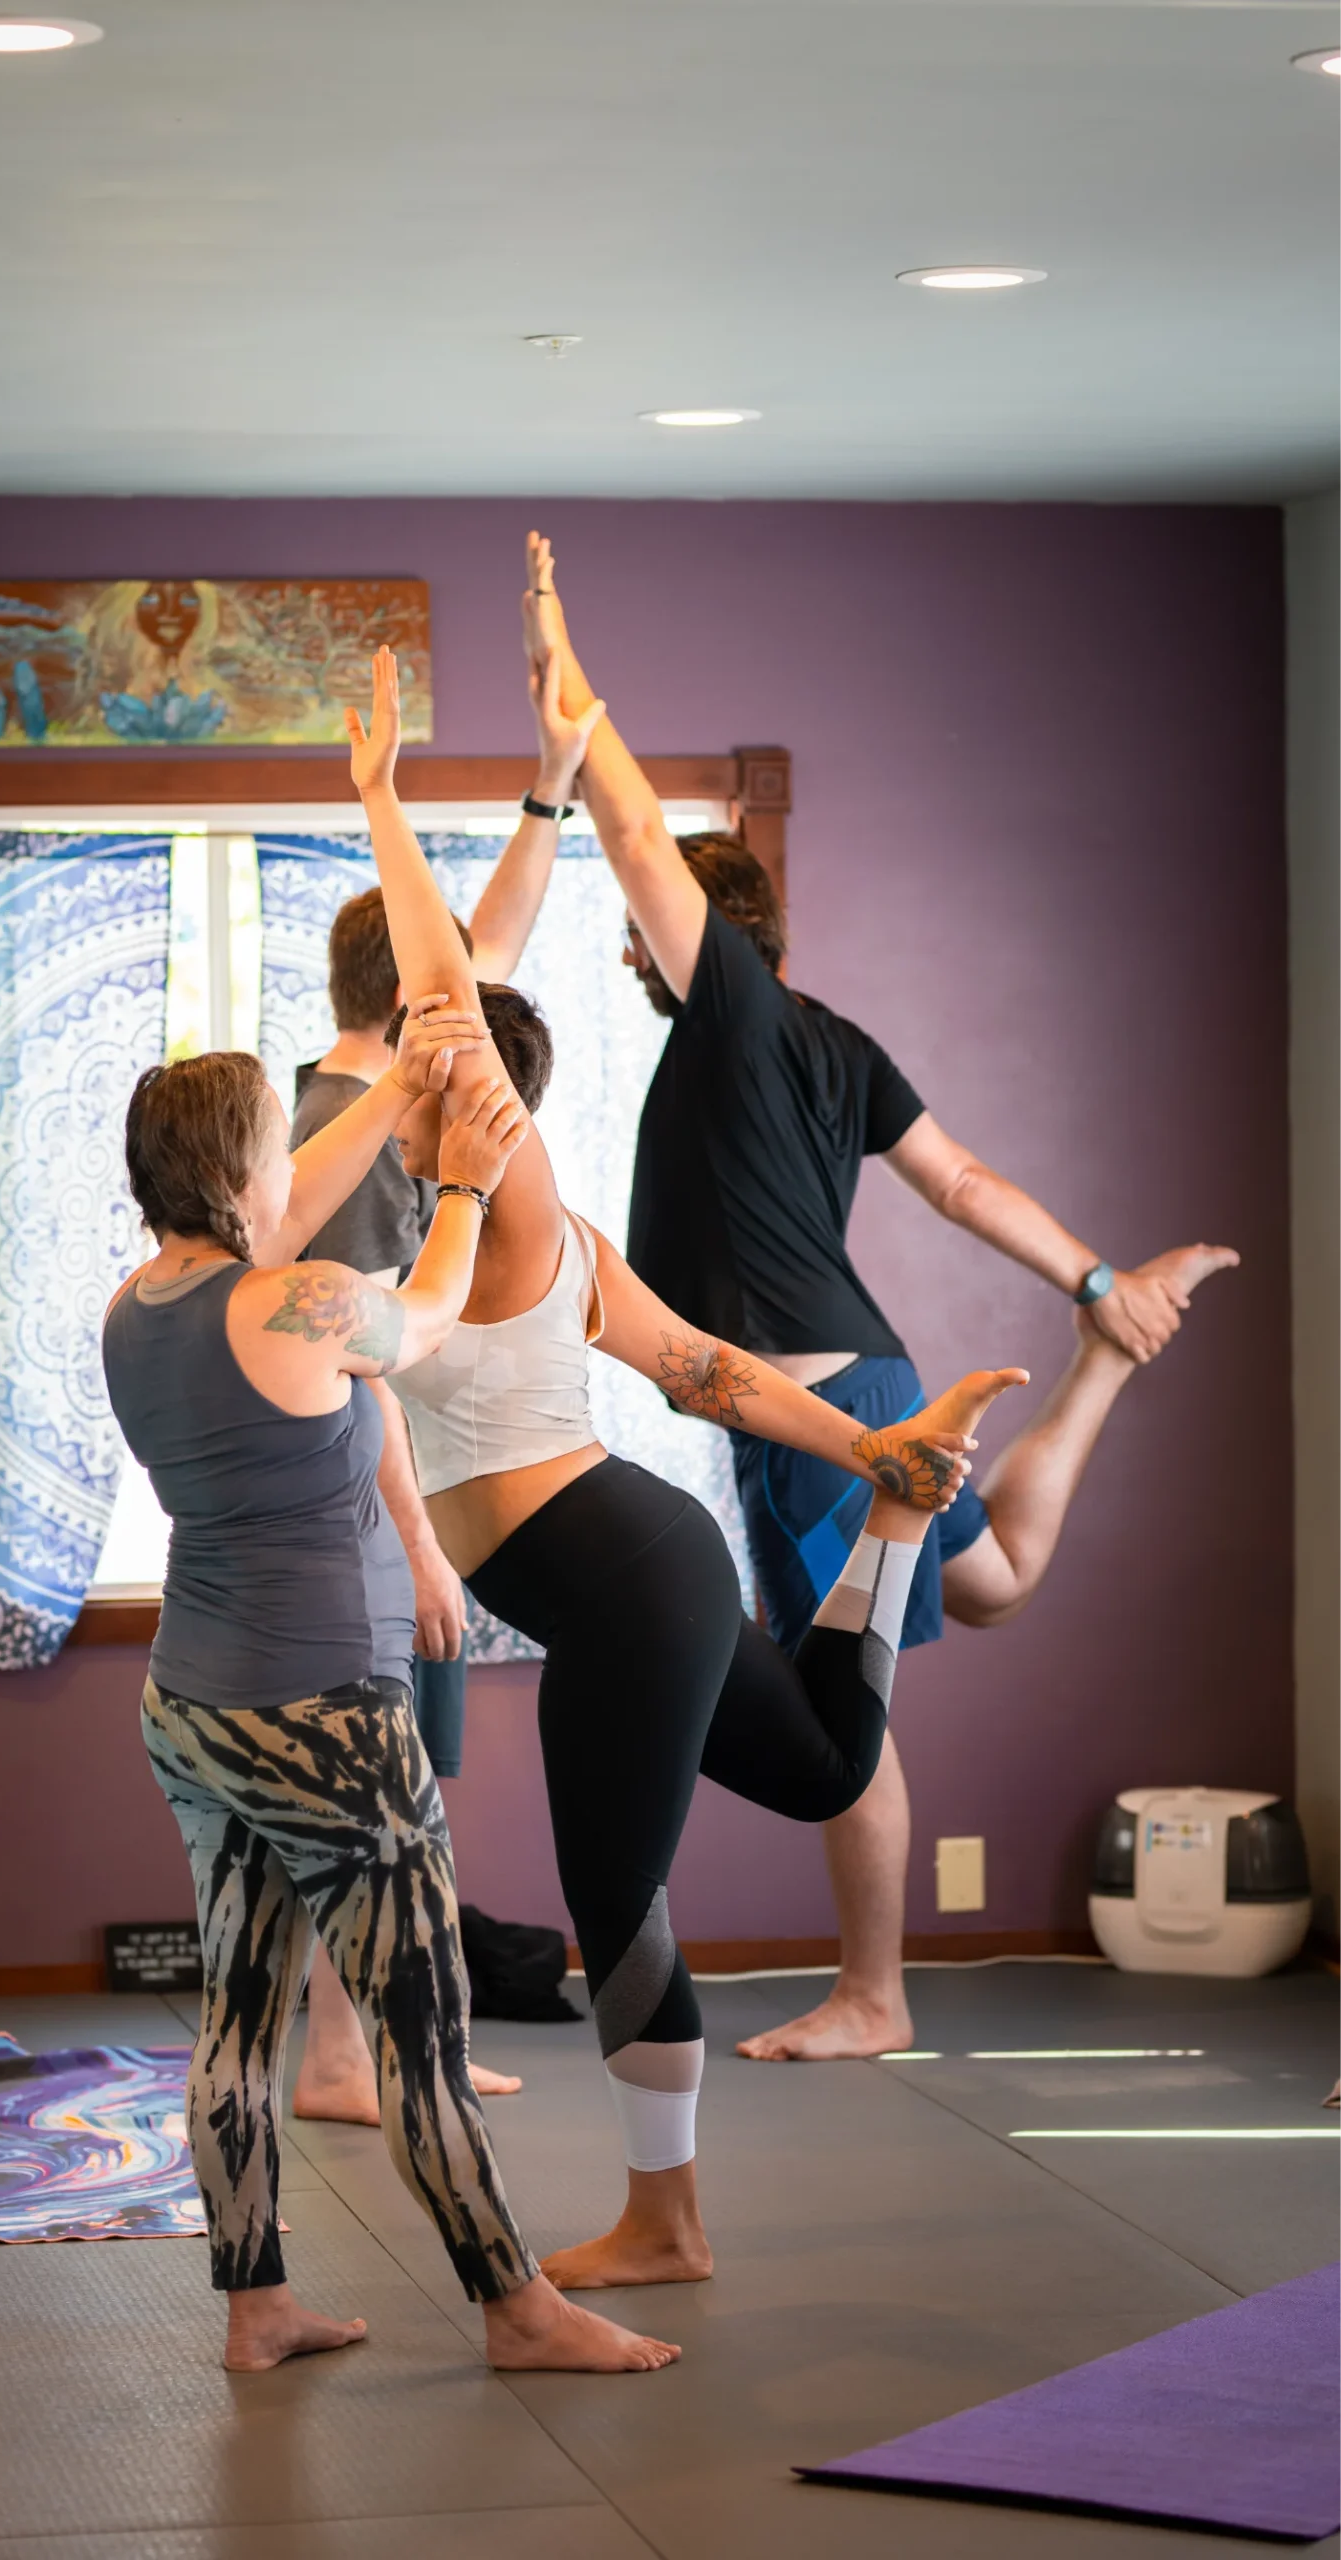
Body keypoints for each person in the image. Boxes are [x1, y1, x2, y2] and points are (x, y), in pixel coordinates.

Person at [345, 643, 1027, 2291]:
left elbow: (440, 988)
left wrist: (376, 800)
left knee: (615, 1898)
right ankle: (881, 1526)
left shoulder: (505, 1191)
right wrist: (870, 1441)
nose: (405, 1088)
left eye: (432, 1075)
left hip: (622, 1582)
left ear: (481, 1093)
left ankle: (665, 2220)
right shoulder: (555, 1239)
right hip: (647, 1560)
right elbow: (707, 1373)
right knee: (811, 1764)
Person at [520, 528, 1241, 2063]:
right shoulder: (833, 1038)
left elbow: (644, 844)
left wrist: (566, 700)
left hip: (808, 1413)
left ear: (694, 947)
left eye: (663, 934)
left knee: (846, 1703)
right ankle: (1102, 1360)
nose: (646, 944)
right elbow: (963, 1184)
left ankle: (871, 1992)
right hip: (873, 1374)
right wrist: (1099, 1279)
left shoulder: (725, 1018)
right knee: (985, 1587)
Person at [102, 999, 678, 2375]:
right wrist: (465, 1185)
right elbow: (418, 1316)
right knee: (424, 2028)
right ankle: (518, 2309)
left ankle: (256, 2309)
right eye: (271, 1146)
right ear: (237, 1173)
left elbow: (296, 1196)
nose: (290, 1164)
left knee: (238, 2018)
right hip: (324, 1723)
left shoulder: (144, 1306)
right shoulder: (297, 1307)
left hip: (195, 1707)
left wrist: (405, 1079)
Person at [288, 655, 607, 2127]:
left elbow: (496, 929)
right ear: (422, 1013)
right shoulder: (360, 1135)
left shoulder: (367, 1087)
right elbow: (360, 1378)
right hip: (368, 1516)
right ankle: (363, 2057)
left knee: (371, 1792)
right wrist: (419, 1549)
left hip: (369, 1519)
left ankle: (359, 2053)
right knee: (379, 1797)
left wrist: (549, 783)